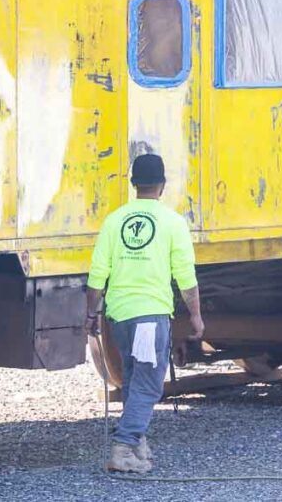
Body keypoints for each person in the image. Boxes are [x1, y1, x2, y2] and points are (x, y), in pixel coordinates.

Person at [85, 153, 203, 473]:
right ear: (162, 185)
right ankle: (123, 448)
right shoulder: (173, 222)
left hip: (120, 317)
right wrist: (195, 316)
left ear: (134, 184)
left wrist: (91, 313)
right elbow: (186, 277)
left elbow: (97, 275)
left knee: (133, 378)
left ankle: (137, 443)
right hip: (150, 316)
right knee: (149, 383)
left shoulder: (114, 221)